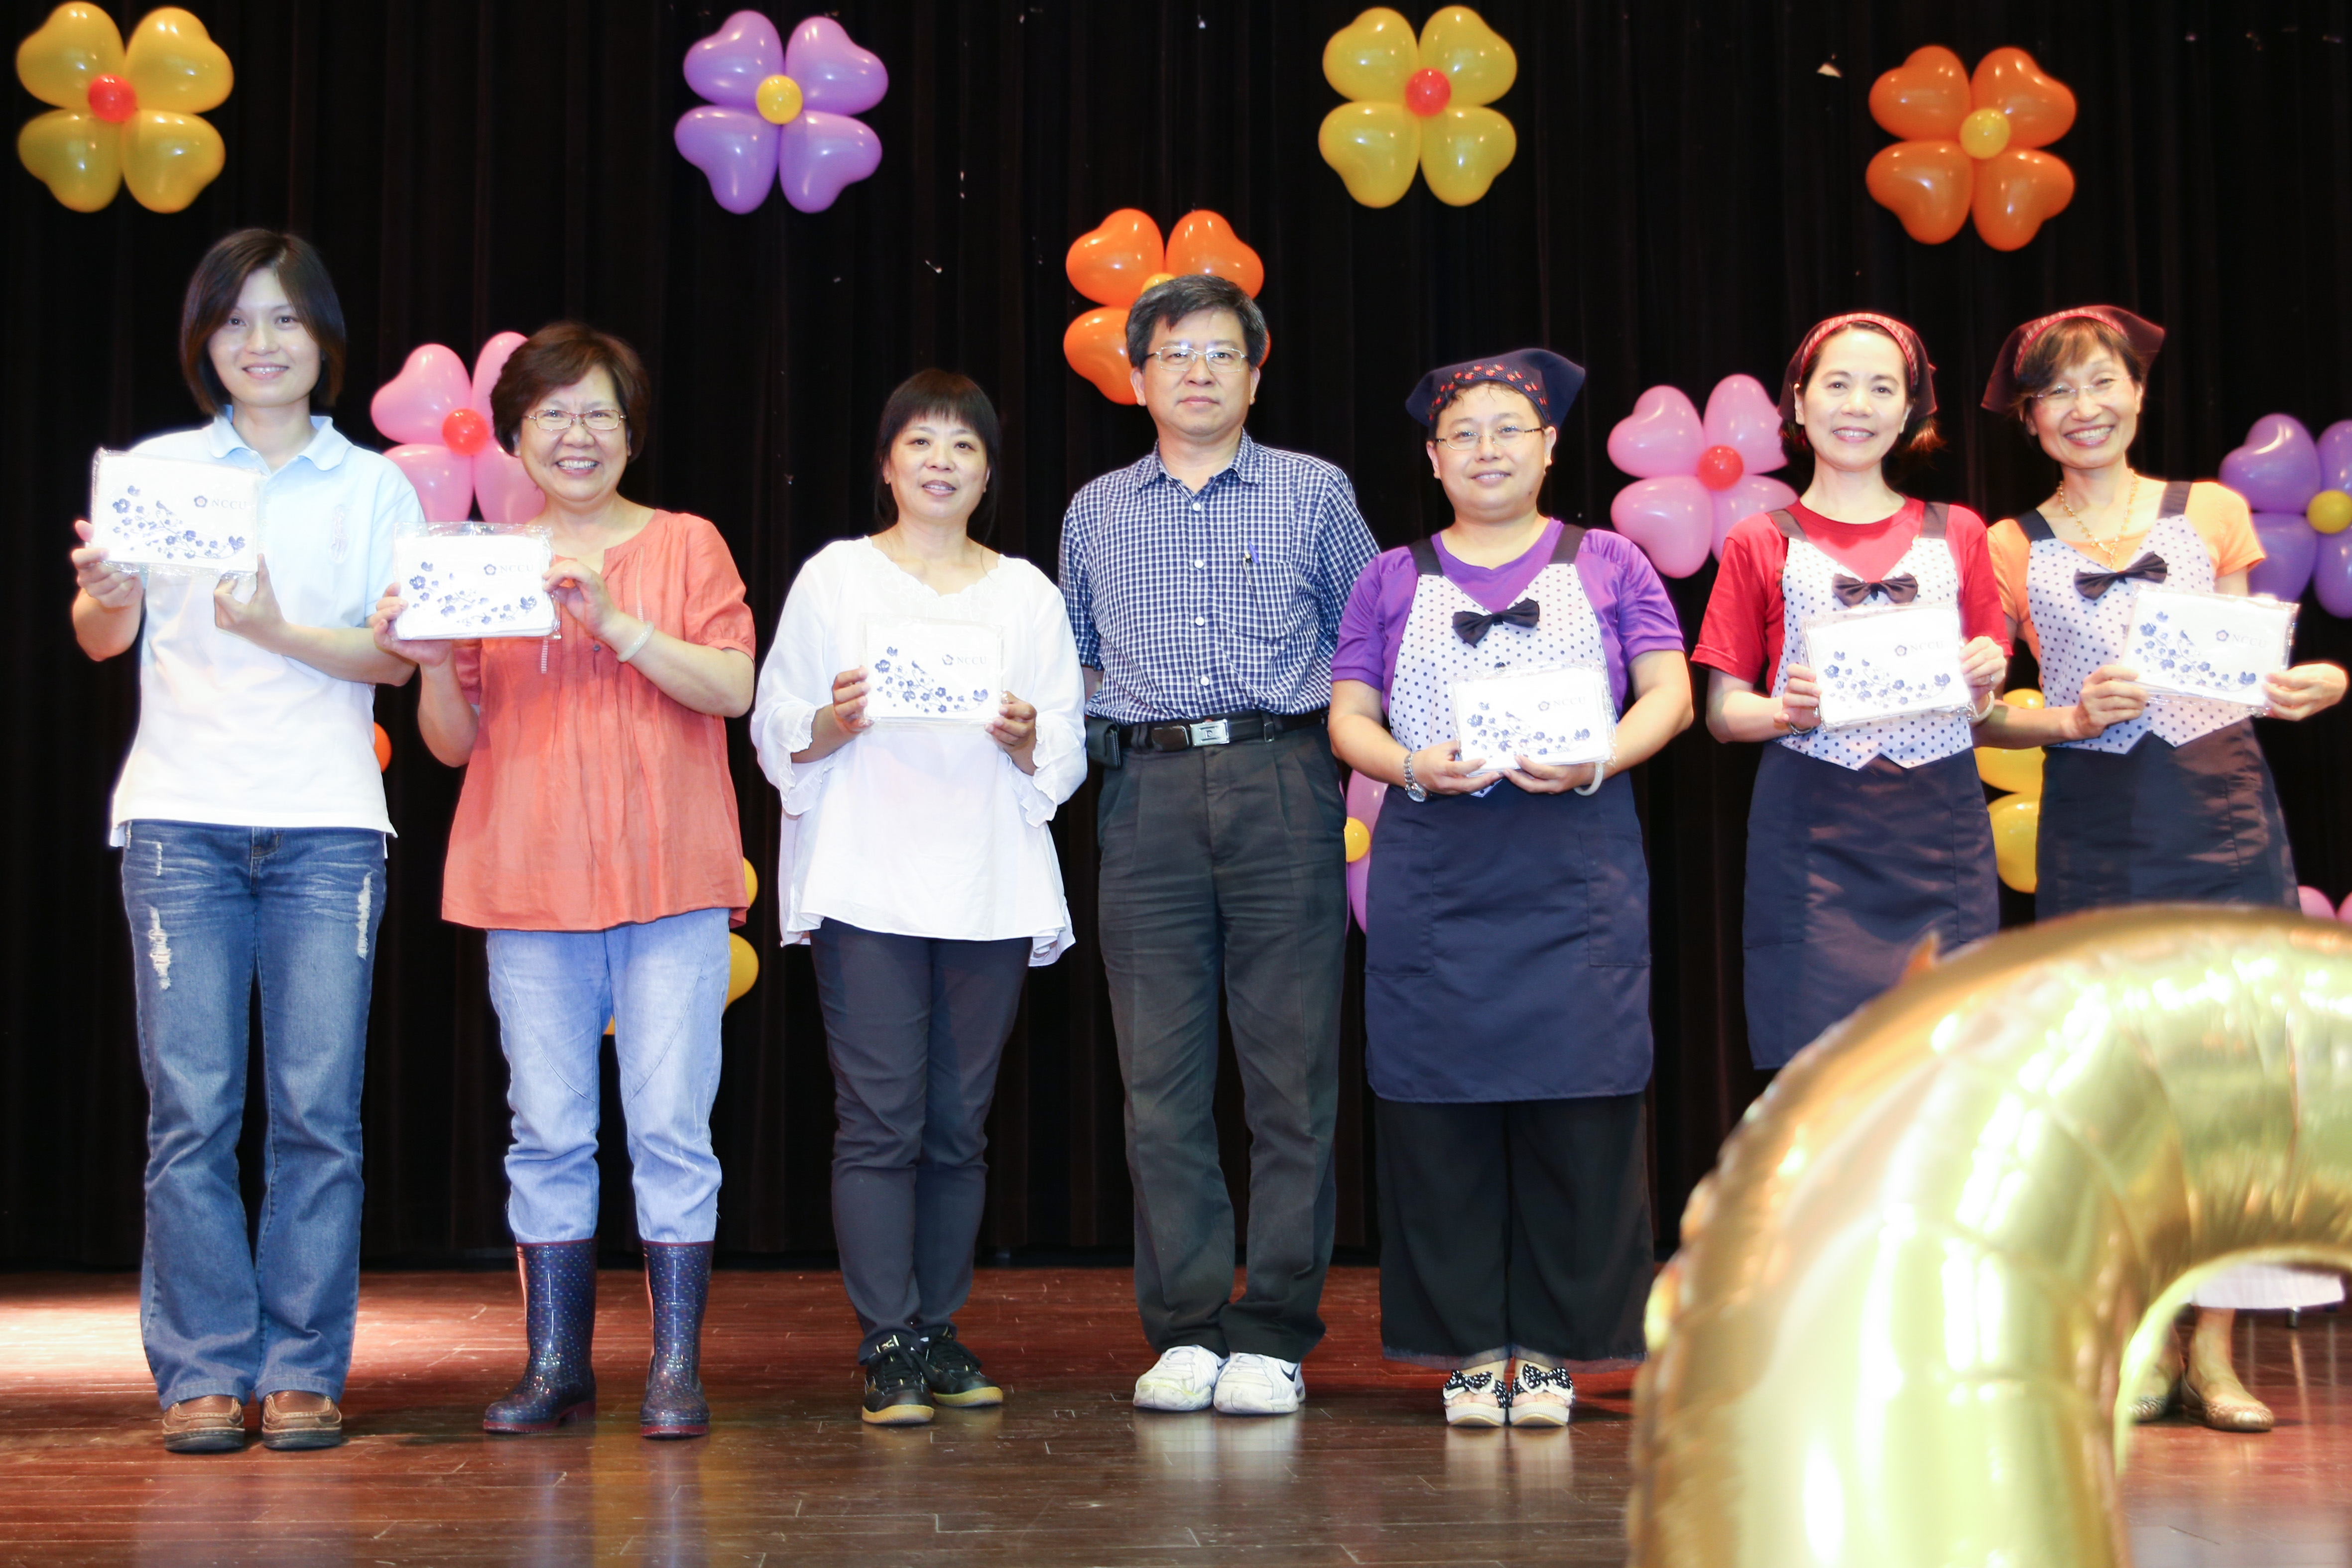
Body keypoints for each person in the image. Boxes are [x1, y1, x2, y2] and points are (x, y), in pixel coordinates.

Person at [68, 230, 423, 1453]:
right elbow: (100, 637)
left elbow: (393, 659)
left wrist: (275, 627)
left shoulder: (374, 487)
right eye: (234, 321)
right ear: (203, 340)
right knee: (192, 1111)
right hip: (180, 820)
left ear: (322, 337)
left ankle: (304, 1368)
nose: (259, 343)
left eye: (282, 319)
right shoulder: (160, 471)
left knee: (319, 1111)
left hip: (329, 827)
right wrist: (107, 591)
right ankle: (204, 1370)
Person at [370, 323, 754, 1441]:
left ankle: (674, 1369)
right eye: (552, 415)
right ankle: (556, 1365)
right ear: (516, 436)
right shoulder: (480, 561)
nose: (576, 435)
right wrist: (433, 666)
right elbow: (451, 744)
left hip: (670, 873)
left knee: (672, 1125)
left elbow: (731, 687)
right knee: (545, 1129)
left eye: (599, 414)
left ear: (631, 433)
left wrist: (617, 622)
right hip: (527, 877)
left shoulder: (686, 543)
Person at [1972, 304, 2349, 1433]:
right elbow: (1978, 714)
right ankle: (2138, 1339)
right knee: (2120, 1084)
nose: (2084, 408)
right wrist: (2067, 717)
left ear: (2138, 394)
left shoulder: (2212, 511)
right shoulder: (2007, 544)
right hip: (2096, 822)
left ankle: (2217, 1349)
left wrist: (2313, 684)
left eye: (2103, 383)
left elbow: (2248, 665)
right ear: (2031, 421)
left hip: (2221, 806)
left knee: (2231, 1084)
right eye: (2056, 392)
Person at [1329, 351, 1692, 1427]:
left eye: (1508, 429)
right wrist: (1408, 765)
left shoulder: (1611, 561)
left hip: (1573, 867)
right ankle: (1468, 1348)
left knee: (1580, 1108)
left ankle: (1551, 1352)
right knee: (1438, 1114)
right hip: (1436, 874)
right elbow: (1347, 717)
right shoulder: (1389, 577)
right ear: (1433, 459)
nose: (1487, 449)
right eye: (1464, 434)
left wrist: (1598, 758)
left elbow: (1669, 695)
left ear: (1548, 447)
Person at [1059, 273, 1378, 1416]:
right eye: (1174, 353)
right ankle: (1187, 1328)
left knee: (1291, 1078)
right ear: (1137, 375)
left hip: (1280, 776)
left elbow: (1369, 638)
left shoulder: (1314, 490)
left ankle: (1275, 1332)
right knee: (1158, 1084)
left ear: (1255, 371)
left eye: (1219, 353)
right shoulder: (1095, 509)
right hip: (1140, 791)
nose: (1197, 372)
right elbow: (1077, 660)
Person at [750, 370, 1085, 1425]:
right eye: (921, 442)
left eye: (964, 446)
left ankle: (937, 1329)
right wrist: (833, 722)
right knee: (879, 1121)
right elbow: (775, 720)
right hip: (868, 878)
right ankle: (886, 1337)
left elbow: (1067, 741)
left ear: (989, 473)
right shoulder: (836, 578)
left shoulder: (1026, 593)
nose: (942, 461)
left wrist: (1029, 737)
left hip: (988, 883)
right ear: (887, 464)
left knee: (958, 1128)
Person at [1693, 313, 2010, 1072]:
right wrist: (1784, 710)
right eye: (1837, 385)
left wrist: (1984, 677)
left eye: (1881, 388)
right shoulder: (1758, 538)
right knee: (1821, 1074)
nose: (1857, 406)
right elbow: (1722, 712)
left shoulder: (1961, 531)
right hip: (1814, 833)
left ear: (1909, 412)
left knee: (1949, 1070)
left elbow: (1987, 693)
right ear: (1800, 404)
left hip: (1940, 828)